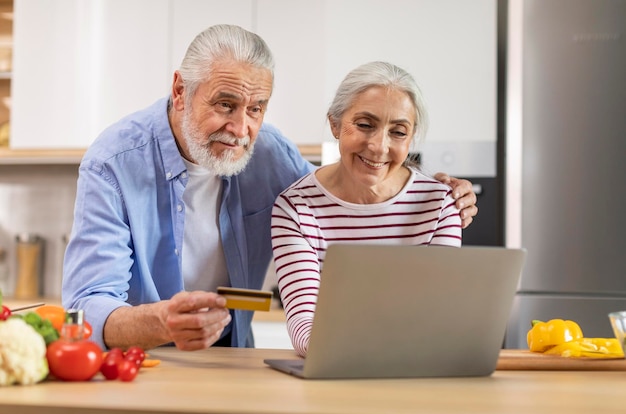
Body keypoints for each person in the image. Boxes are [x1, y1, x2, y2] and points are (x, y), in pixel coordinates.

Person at [62, 25, 477, 352]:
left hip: (230, 354)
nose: (241, 129)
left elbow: (338, 191)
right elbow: (85, 306)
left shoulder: (268, 152)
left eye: (256, 109)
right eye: (225, 104)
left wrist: (431, 186)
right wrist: (160, 322)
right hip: (138, 359)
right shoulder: (113, 163)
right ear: (180, 91)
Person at [271, 61, 463, 357]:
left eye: (398, 132)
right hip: (334, 376)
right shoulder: (296, 208)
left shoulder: (438, 204)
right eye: (364, 125)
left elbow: (439, 318)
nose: (378, 146)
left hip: (417, 377)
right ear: (335, 124)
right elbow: (305, 329)